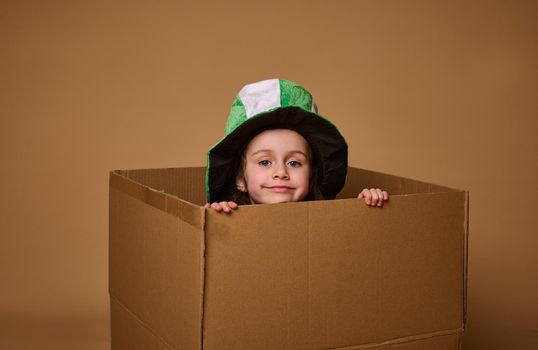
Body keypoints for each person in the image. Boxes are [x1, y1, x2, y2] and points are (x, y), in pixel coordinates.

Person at [204, 78, 389, 213]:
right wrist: (218, 216)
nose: (281, 173)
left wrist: (365, 208)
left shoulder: (327, 219)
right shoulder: (229, 214)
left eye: (294, 163)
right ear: (239, 179)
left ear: (311, 174)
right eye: (265, 162)